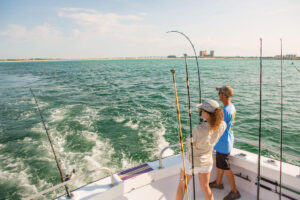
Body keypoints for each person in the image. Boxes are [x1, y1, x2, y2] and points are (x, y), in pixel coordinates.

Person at [176, 99, 226, 200]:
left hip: (192, 162)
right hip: (207, 162)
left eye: (202, 110)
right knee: (205, 187)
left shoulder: (198, 129)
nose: (201, 112)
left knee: (182, 185)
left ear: (207, 113)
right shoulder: (223, 125)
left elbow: (189, 145)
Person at [209, 86, 241, 200]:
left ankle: (235, 191)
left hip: (223, 144)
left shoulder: (223, 110)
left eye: (219, 93)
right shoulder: (231, 107)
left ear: (223, 95)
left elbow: (216, 126)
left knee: (226, 168)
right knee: (221, 164)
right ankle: (218, 183)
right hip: (227, 140)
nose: (218, 95)